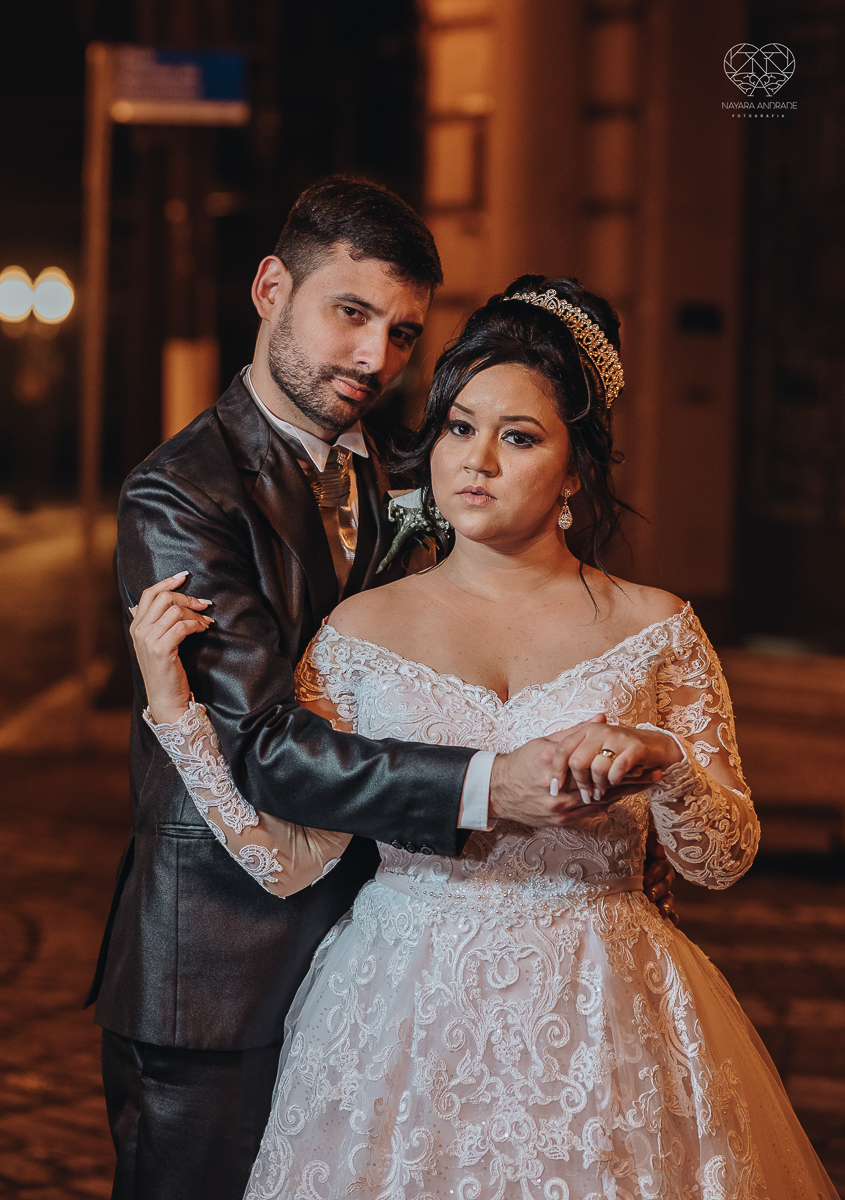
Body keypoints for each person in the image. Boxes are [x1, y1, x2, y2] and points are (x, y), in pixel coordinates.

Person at [132, 275, 838, 1199]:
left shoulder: (657, 628)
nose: (476, 461)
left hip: (605, 1012)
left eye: (519, 437)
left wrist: (666, 765)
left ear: (577, 467)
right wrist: (170, 700)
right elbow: (290, 859)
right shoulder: (360, 630)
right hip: (399, 1018)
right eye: (459, 428)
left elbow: (723, 857)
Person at [90, 181, 676, 1200]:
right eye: (348, 314)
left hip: (383, 976)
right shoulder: (179, 497)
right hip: (225, 969)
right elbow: (263, 748)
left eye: (403, 333)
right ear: (272, 288)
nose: (373, 359)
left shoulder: (416, 463)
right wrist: (491, 783)